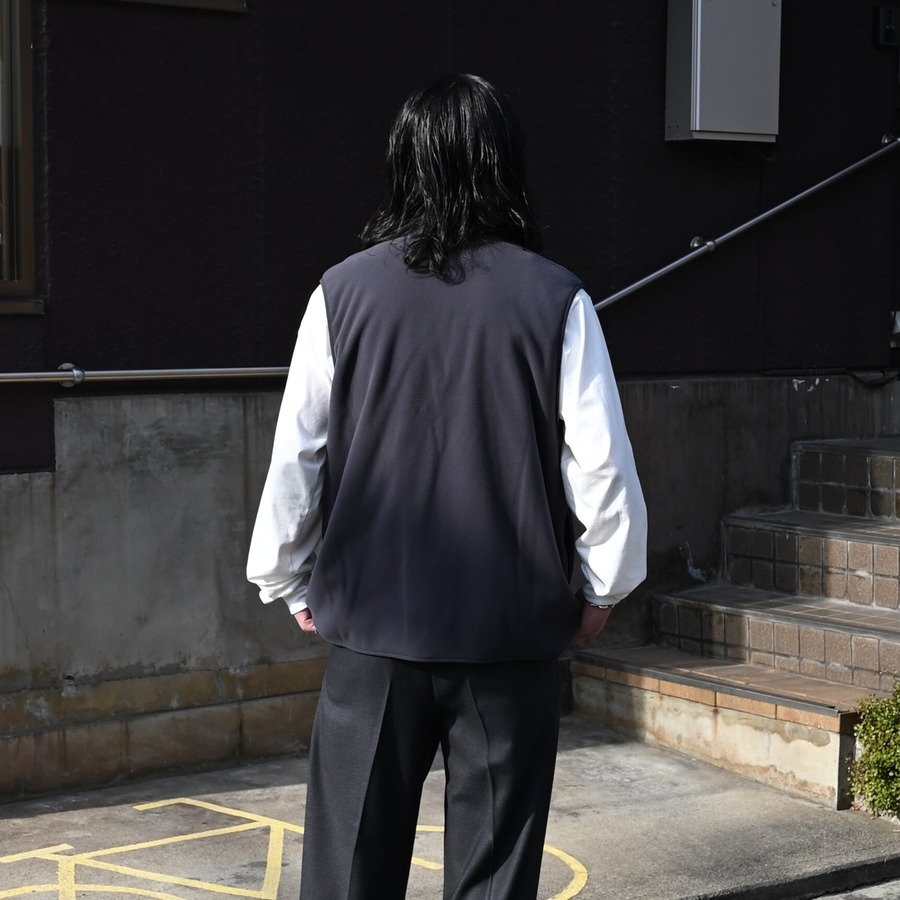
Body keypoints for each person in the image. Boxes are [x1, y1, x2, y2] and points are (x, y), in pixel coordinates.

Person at [246, 73, 647, 900]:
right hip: (509, 637)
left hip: (374, 631)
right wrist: (603, 586)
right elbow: (601, 466)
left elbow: (298, 455)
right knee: (494, 879)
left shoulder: (341, 293)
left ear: (406, 162)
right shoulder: (556, 299)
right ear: (505, 165)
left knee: (348, 870)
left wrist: (286, 578)